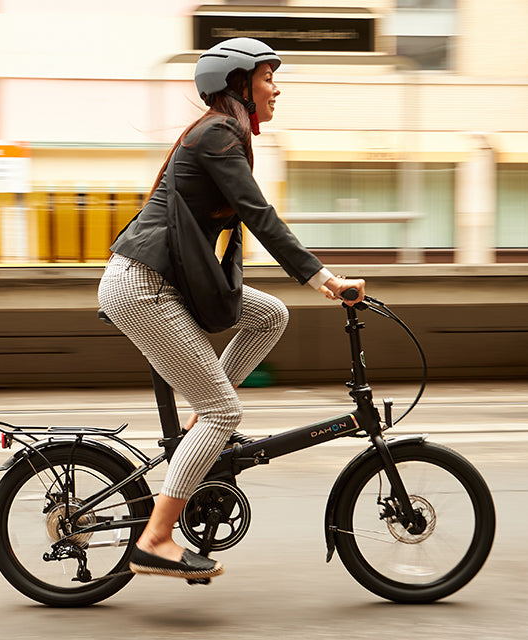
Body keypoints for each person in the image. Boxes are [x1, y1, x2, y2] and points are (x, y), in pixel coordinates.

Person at [97, 37, 365, 580]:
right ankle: (155, 539)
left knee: (269, 315)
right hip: (143, 285)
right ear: (239, 85)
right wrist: (324, 278)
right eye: (268, 77)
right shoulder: (219, 133)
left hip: (161, 281)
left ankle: (202, 422)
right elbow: (259, 215)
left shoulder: (225, 135)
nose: (277, 88)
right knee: (227, 411)